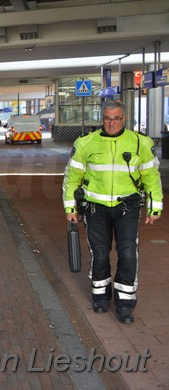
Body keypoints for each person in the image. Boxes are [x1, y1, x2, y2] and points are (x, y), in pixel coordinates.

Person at [63, 100, 162, 324]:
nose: (112, 123)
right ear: (102, 119)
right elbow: (71, 179)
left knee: (127, 253)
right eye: (107, 118)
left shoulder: (140, 143)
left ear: (124, 119)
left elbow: (151, 178)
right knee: (99, 253)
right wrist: (70, 208)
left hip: (128, 207)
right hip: (95, 208)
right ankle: (100, 296)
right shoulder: (86, 143)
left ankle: (125, 304)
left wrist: (155, 206)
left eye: (117, 118)